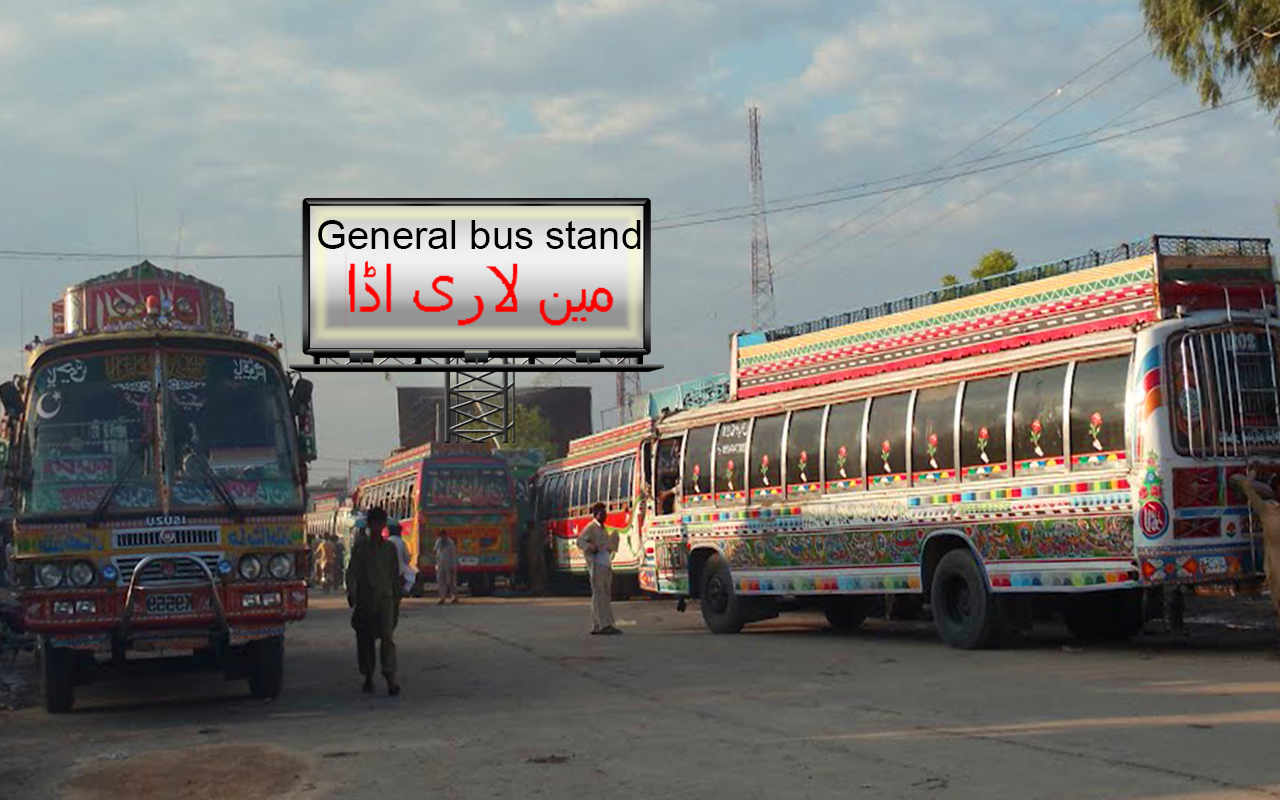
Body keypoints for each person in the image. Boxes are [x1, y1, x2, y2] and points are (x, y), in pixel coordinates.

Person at [346, 506, 402, 695]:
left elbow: (395, 576)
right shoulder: (361, 548)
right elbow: (352, 572)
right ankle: (368, 674)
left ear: (384, 525)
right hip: (366, 600)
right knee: (366, 639)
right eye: (375, 525)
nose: (378, 528)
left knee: (387, 638)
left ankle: (390, 676)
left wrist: (397, 601)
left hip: (386, 600)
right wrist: (351, 592)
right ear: (369, 526)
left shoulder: (390, 549)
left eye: (380, 524)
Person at [1231, 468, 1280, 622]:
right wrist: (1254, 471)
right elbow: (1246, 486)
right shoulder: (1266, 508)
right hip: (1276, 565)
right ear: (1275, 492)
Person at [576, 502, 620, 635]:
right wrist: (591, 547)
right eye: (602, 513)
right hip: (597, 566)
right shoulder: (591, 527)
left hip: (605, 565)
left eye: (605, 513)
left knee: (605, 596)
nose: (605, 516)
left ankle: (603, 624)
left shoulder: (603, 529)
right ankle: (602, 625)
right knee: (599, 595)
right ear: (596, 515)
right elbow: (580, 541)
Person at [387, 520, 416, 597]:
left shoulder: (386, 541)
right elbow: (407, 557)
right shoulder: (401, 542)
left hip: (387, 569)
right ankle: (405, 590)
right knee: (412, 576)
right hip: (400, 568)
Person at [434, 529, 459, 605]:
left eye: (443, 536)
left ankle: (454, 597)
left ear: (445, 535)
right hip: (440, 565)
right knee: (440, 582)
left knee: (451, 582)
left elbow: (453, 555)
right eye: (441, 536)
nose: (442, 537)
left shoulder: (450, 543)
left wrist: (453, 566)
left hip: (449, 564)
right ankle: (442, 598)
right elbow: (435, 551)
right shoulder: (438, 542)